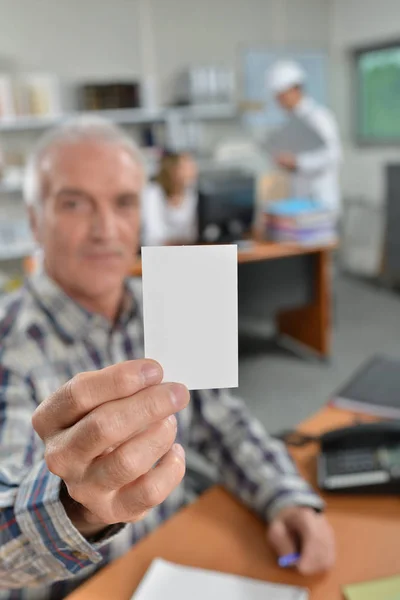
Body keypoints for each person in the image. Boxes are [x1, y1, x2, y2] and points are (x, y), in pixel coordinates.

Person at [0, 117, 334, 599]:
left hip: (169, 562)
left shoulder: (165, 303)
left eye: (124, 203)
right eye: (74, 203)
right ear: (34, 219)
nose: (105, 229)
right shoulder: (11, 343)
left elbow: (221, 418)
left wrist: (287, 498)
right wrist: (77, 509)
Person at [268, 60, 342, 216]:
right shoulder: (291, 122)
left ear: (296, 90)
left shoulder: (319, 117)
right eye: (277, 98)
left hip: (321, 202)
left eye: (282, 96)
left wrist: (297, 161)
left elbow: (333, 155)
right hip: (300, 203)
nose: (280, 102)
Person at [141, 150, 198, 246]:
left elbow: (194, 234)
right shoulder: (152, 193)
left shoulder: (193, 194)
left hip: (188, 251)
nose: (193, 170)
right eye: (186, 167)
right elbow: (152, 236)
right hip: (158, 253)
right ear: (172, 170)